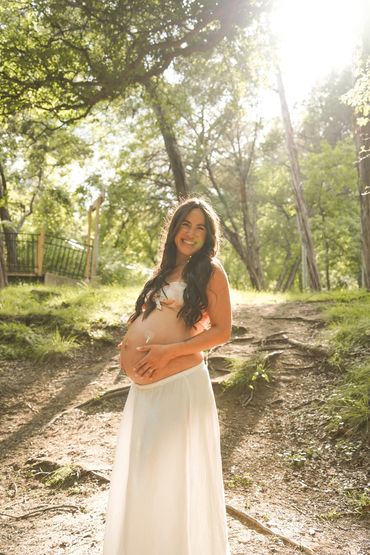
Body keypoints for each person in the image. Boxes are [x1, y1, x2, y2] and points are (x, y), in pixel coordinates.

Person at [102, 197, 232, 555]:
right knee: (145, 476)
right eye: (185, 225)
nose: (191, 233)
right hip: (145, 392)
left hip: (179, 386)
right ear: (174, 229)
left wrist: (165, 352)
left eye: (200, 227)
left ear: (209, 236)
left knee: (171, 479)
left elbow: (222, 332)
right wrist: (133, 341)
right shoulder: (163, 274)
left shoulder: (210, 270)